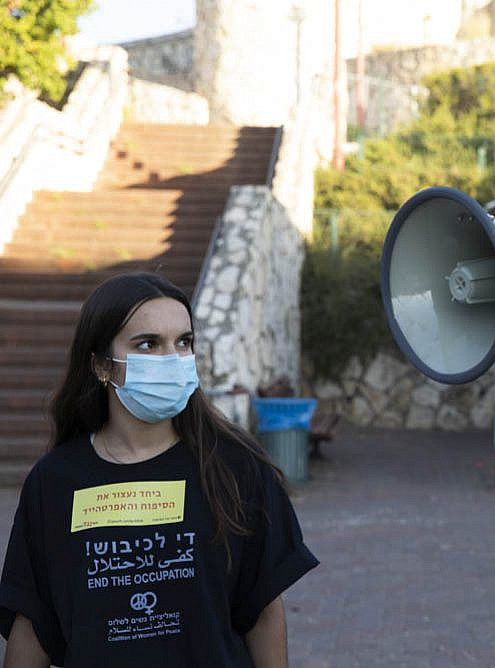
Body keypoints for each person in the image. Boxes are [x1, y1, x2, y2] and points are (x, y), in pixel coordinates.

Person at [0, 272, 319, 667]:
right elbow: (32, 624)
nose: (173, 359)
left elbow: (264, 612)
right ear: (102, 366)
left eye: (184, 342)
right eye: (148, 344)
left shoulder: (235, 468)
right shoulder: (54, 482)